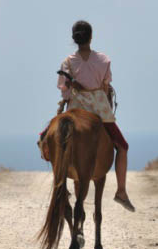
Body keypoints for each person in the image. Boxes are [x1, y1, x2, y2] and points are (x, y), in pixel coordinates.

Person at [57, 20, 135, 212]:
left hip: (76, 108)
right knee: (122, 146)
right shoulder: (103, 60)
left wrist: (68, 98)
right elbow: (106, 86)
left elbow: (64, 90)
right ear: (91, 37)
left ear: (74, 39)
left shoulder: (67, 62)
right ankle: (121, 191)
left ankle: (60, 185)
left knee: (55, 142)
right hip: (100, 109)